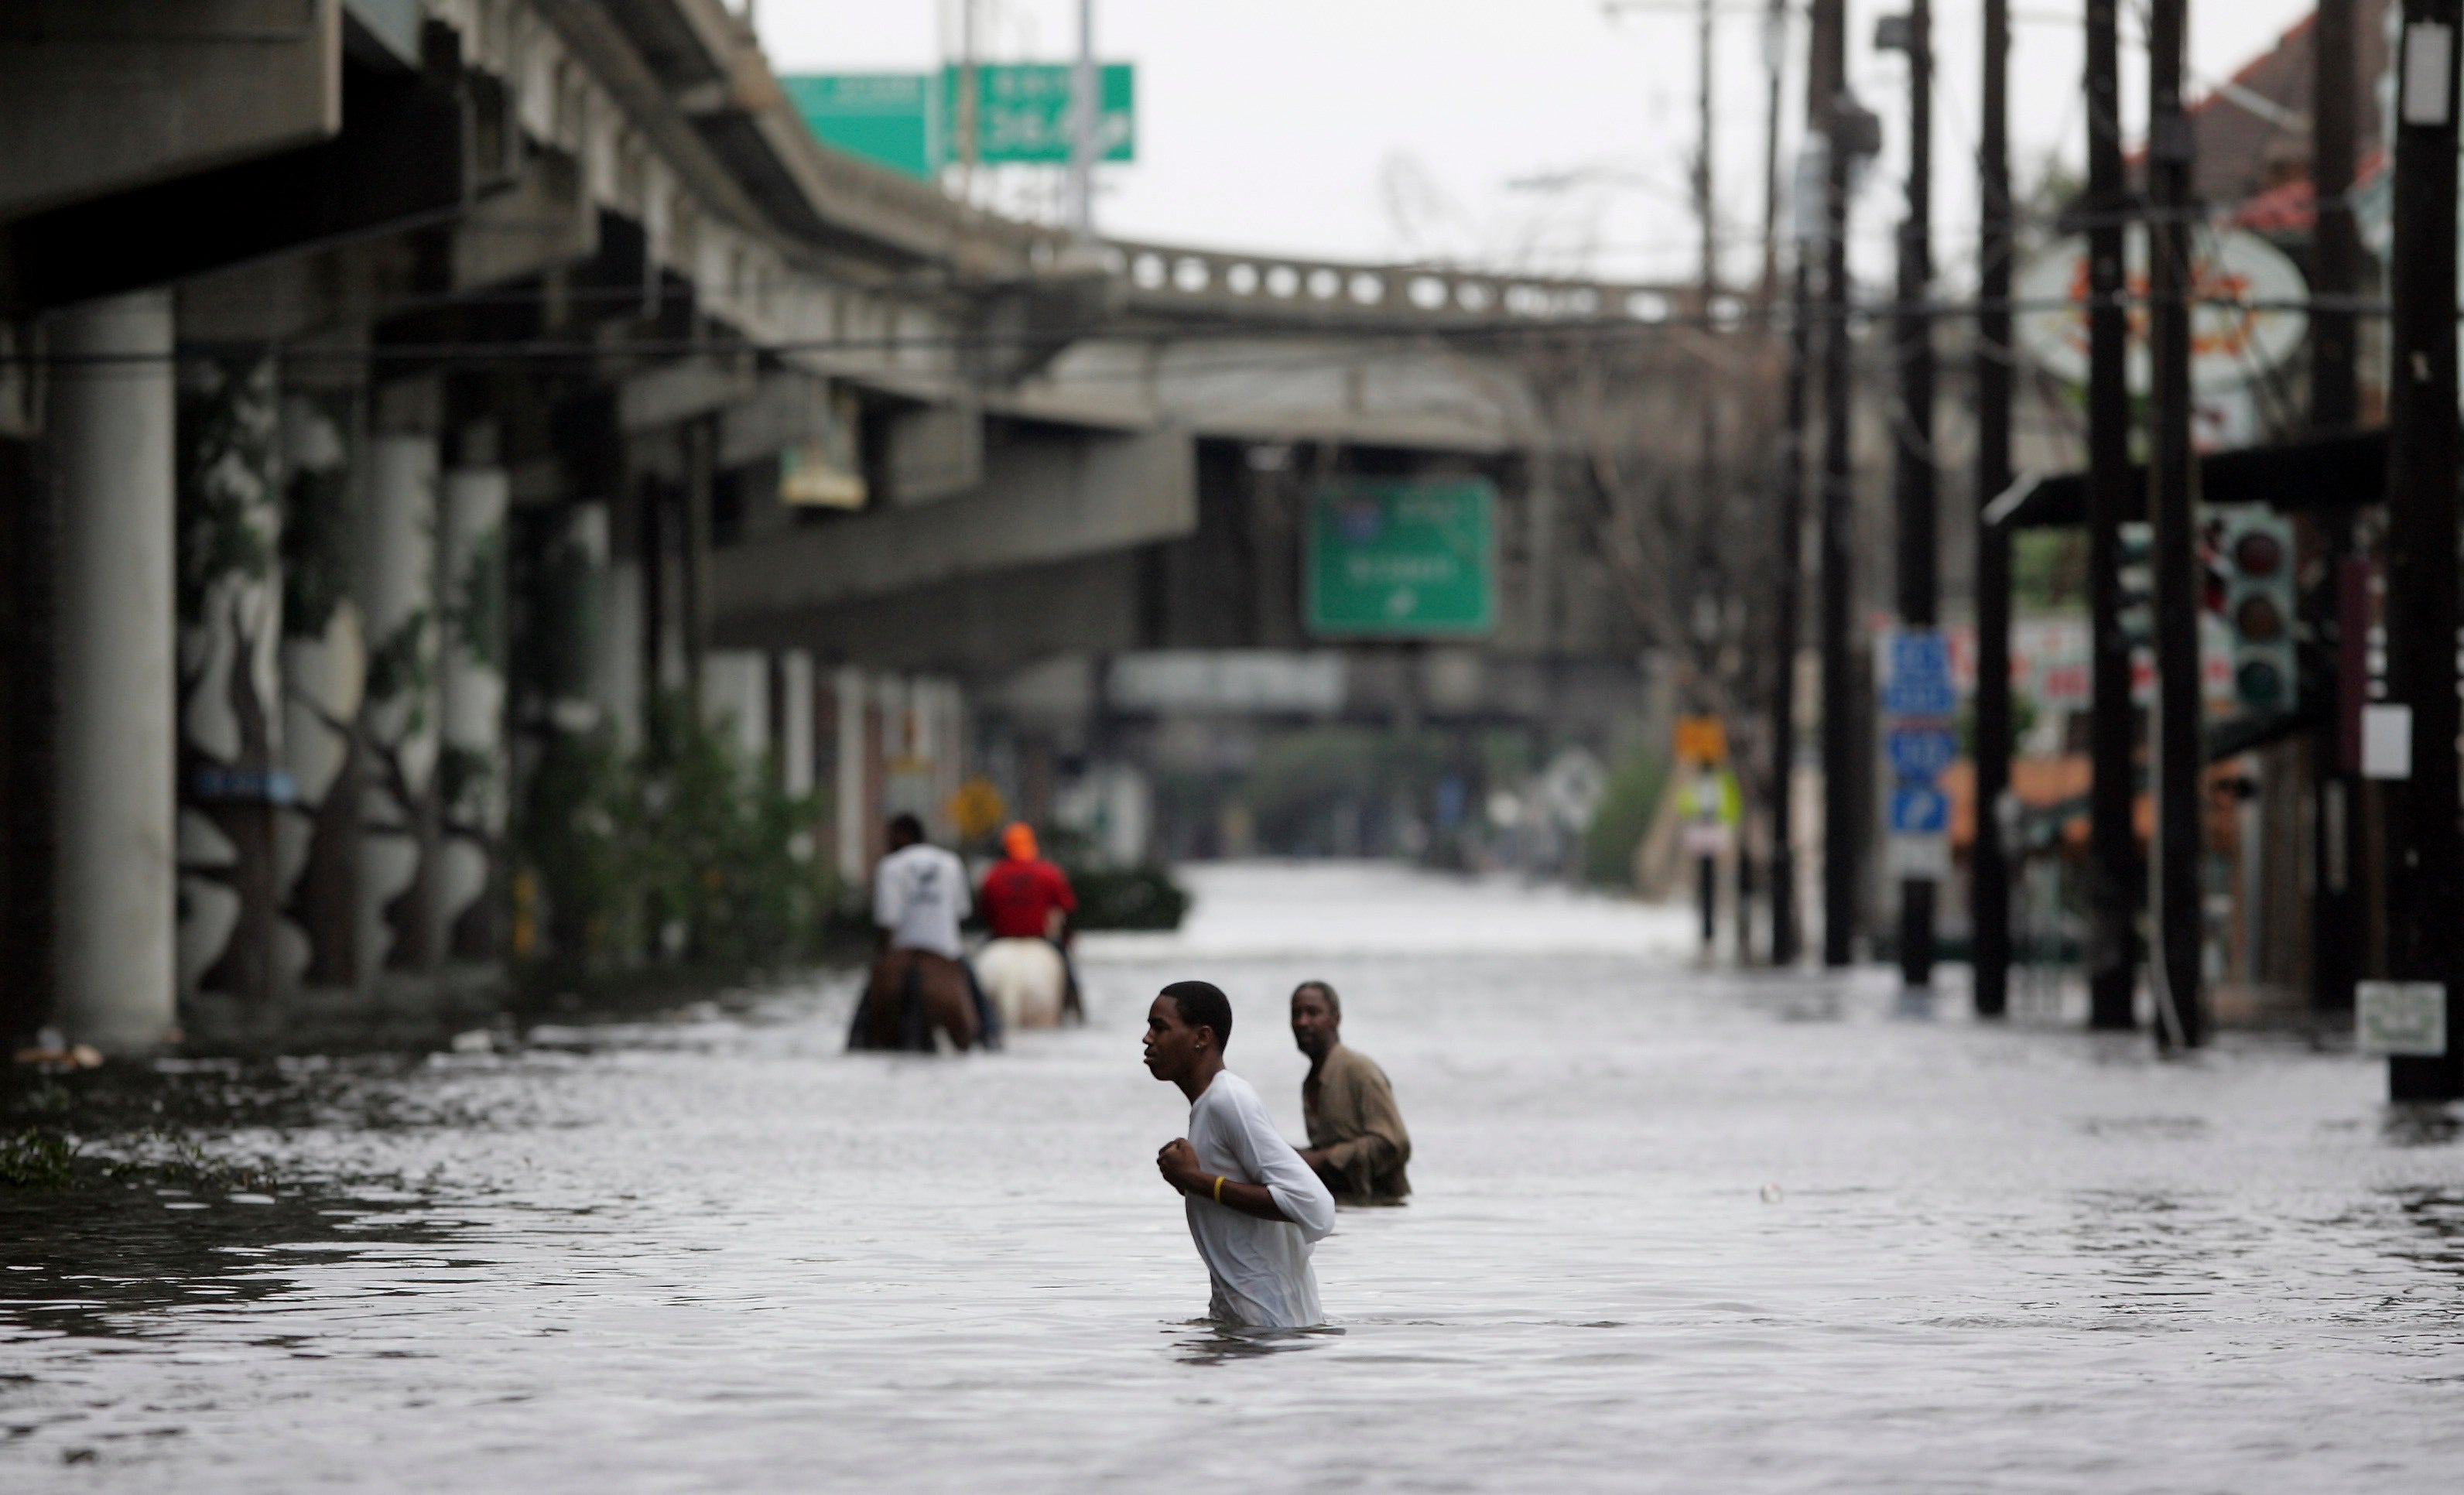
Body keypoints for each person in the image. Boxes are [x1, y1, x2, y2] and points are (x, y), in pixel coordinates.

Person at [1143, 980, 1336, 1329]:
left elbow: (1315, 1206)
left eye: (1160, 1028)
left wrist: (1196, 1180)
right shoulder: (1208, 1107)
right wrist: (1191, 1184)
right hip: (1245, 1327)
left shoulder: (1229, 1099)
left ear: (1202, 1037)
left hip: (1270, 1332)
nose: (1147, 1039)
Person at [850, 813, 980, 1052]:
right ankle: (991, 1036)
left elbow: (887, 921)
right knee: (978, 998)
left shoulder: (891, 865)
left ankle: (855, 1042)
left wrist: (882, 961)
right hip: (946, 950)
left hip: (902, 950)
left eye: (890, 838)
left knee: (864, 1017)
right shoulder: (951, 862)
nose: (887, 844)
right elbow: (961, 913)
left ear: (904, 835)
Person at [1288, 980, 1412, 1206]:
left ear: (1336, 1019)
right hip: (1349, 1205)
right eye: (1296, 1014)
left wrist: (1323, 1159)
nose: (1302, 1022)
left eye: (1313, 1013)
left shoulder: (1359, 1070)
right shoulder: (1312, 1080)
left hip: (1383, 1212)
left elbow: (1395, 1144)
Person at [977, 822, 1082, 1021]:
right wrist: (1067, 939)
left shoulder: (992, 875)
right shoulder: (1049, 873)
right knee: (1068, 970)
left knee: (974, 969)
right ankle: (1075, 1009)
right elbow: (1068, 910)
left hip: (1001, 938)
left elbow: (986, 913)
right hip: (1039, 939)